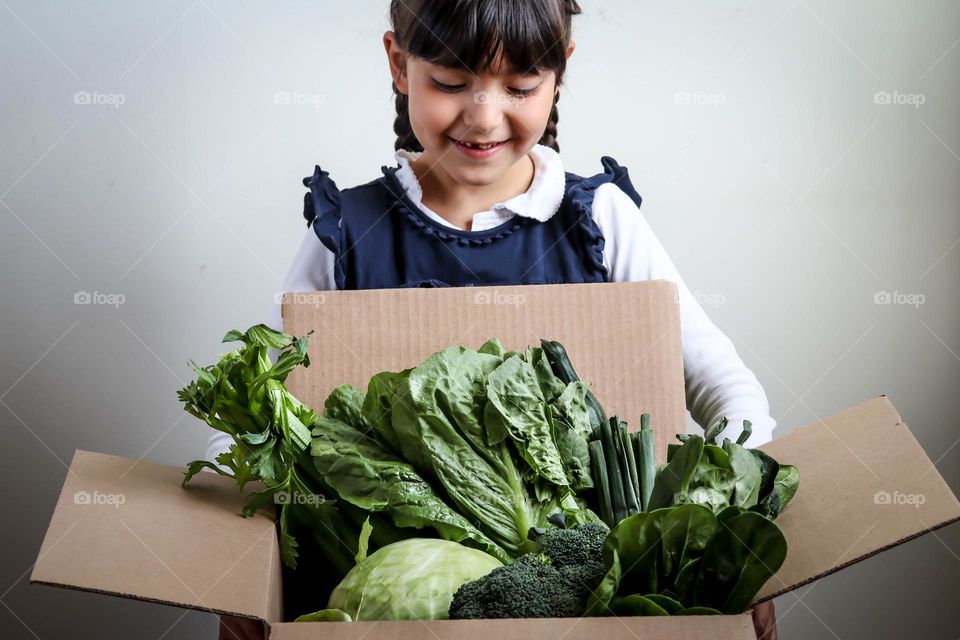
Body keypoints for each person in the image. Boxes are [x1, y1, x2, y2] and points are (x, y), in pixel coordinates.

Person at [213, 1, 778, 638]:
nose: (483, 118)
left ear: (561, 71)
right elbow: (245, 420)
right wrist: (235, 570)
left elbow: (728, 390)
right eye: (450, 84)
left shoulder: (601, 223)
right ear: (399, 65)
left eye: (520, 87)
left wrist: (730, 542)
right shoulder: (348, 235)